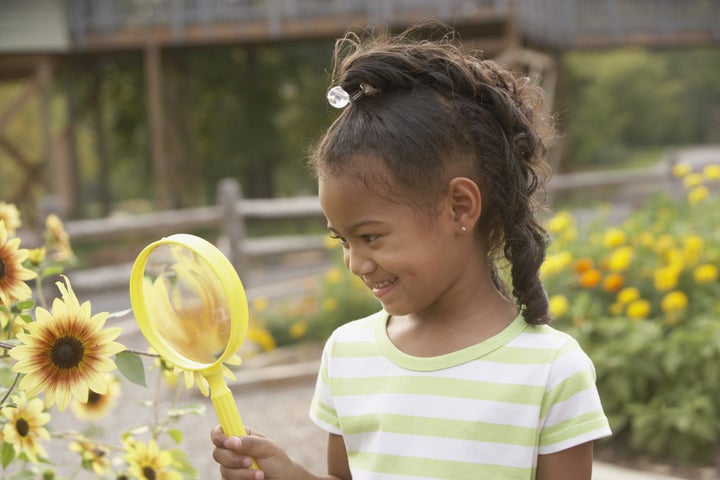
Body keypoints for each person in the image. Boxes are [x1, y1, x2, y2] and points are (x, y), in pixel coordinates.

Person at [212, 24, 611, 480]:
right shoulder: (348, 354)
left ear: (459, 207)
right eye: (342, 240)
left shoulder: (552, 371)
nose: (355, 263)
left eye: (371, 237)